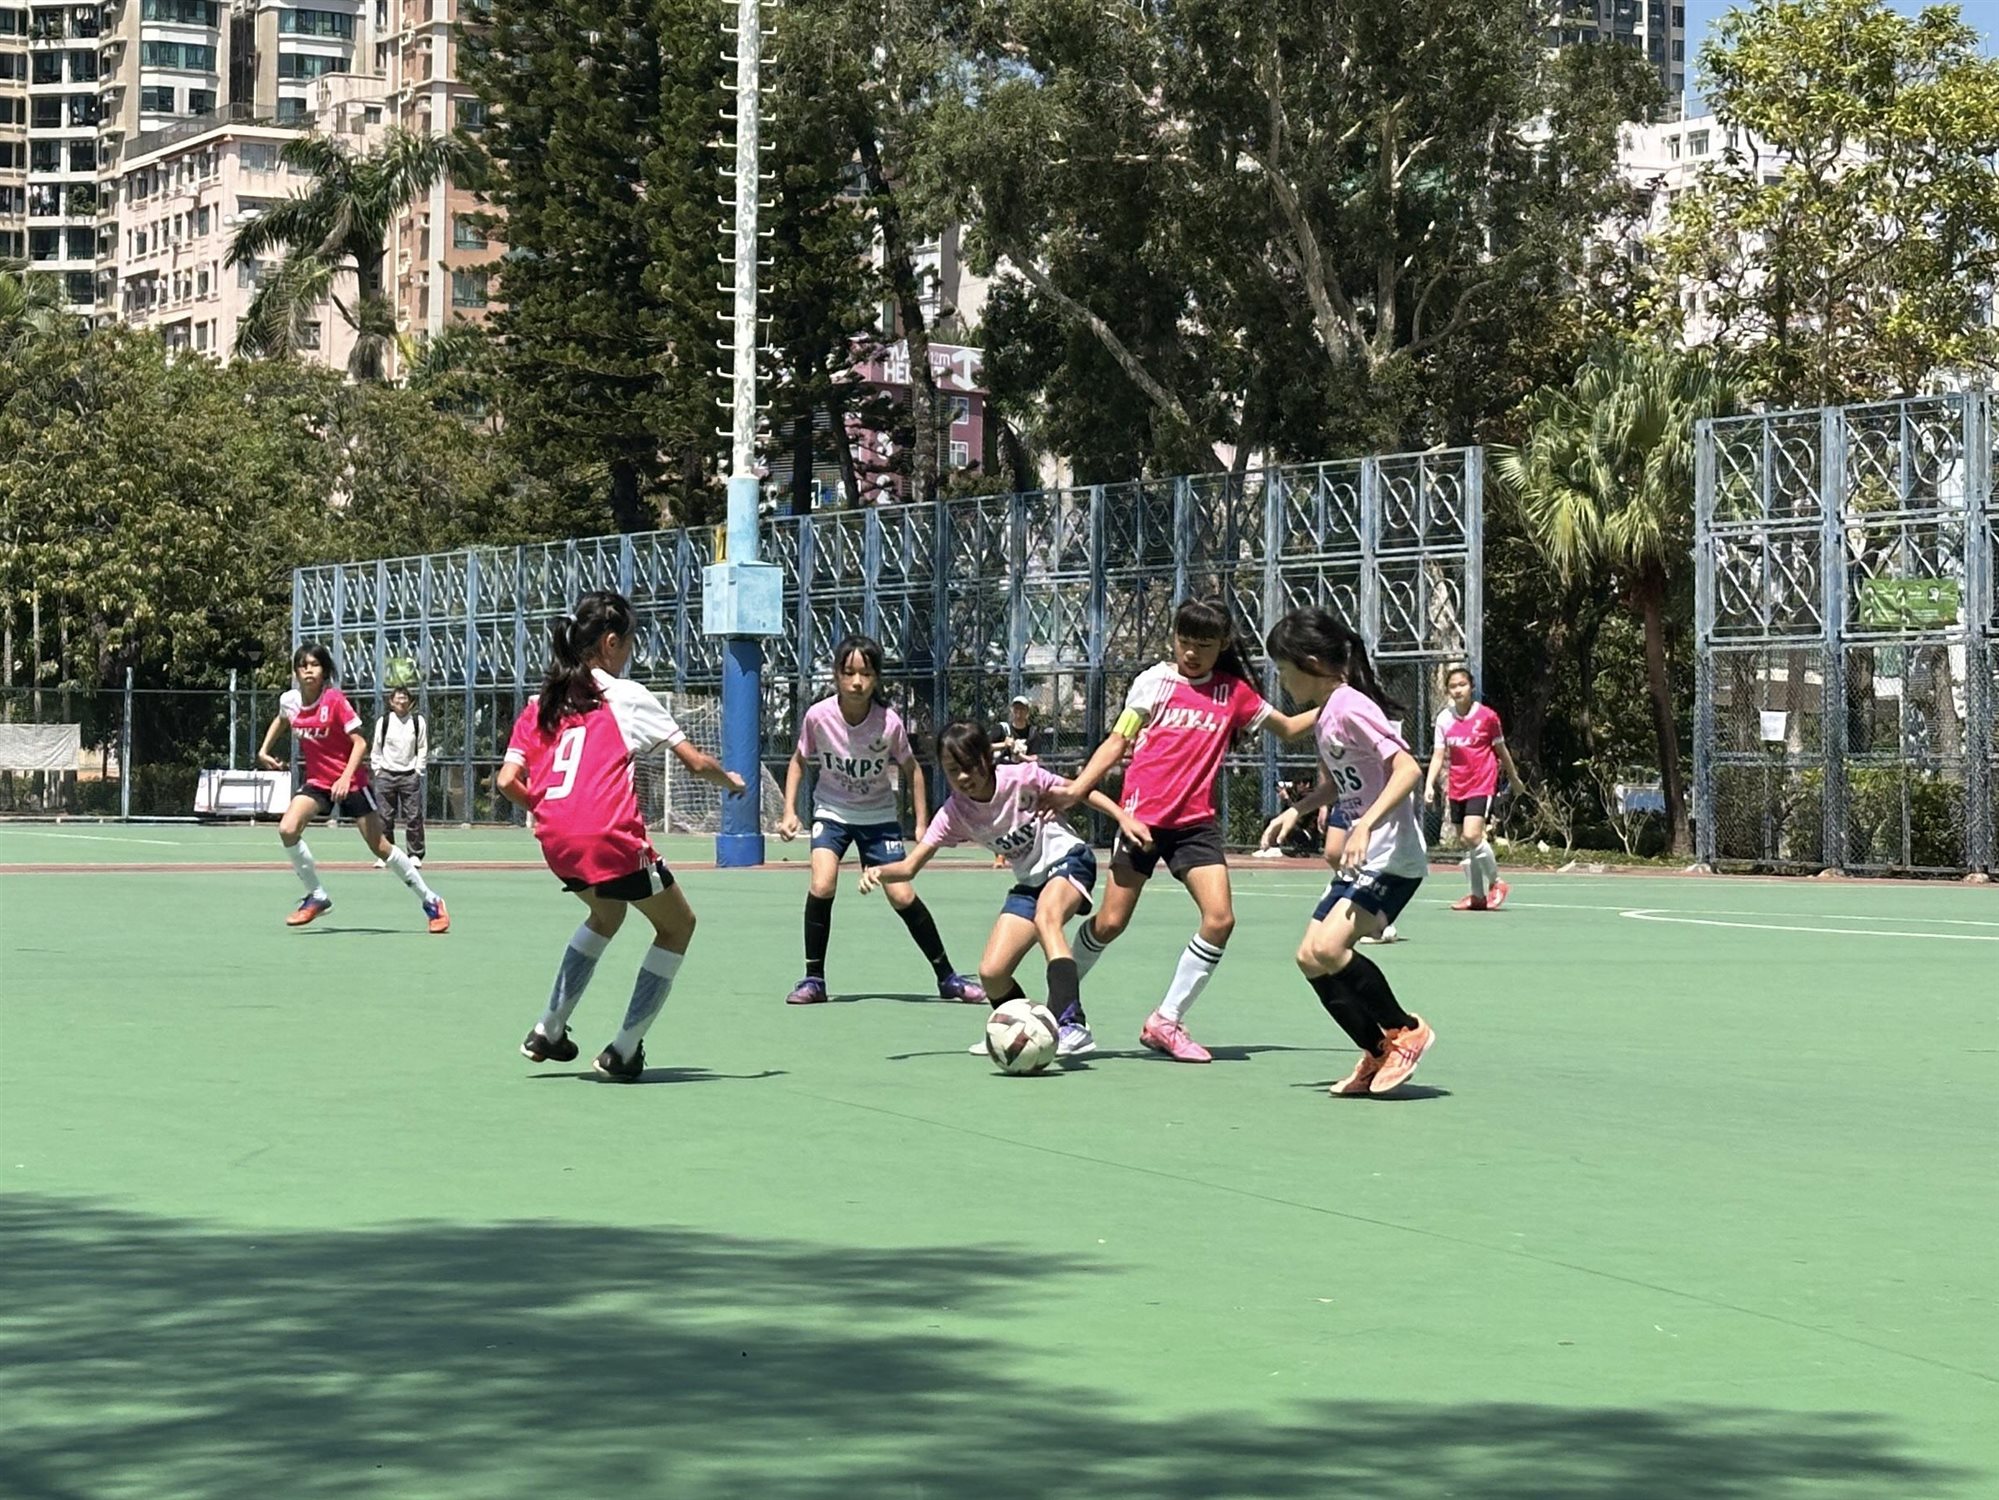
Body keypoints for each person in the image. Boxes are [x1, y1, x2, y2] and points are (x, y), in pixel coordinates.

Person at [1038, 598, 1316, 1063]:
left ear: (1223, 644)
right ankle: (1058, 1009)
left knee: (1220, 920)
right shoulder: (1154, 682)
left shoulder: (1233, 693)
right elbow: (1118, 741)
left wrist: (1342, 701)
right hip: (1141, 821)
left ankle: (1165, 1020)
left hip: (1195, 826)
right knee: (1109, 923)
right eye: (1184, 642)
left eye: (1203, 645)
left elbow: (1288, 728)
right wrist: (1077, 789)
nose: (1191, 653)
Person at [497, 590, 744, 1083]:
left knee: (606, 914)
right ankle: (624, 1050)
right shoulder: (625, 696)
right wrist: (731, 782)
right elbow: (695, 763)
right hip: (608, 838)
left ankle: (547, 1029)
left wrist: (549, 811)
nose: (630, 652)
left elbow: (506, 781)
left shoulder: (543, 702)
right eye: (629, 642)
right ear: (610, 643)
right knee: (678, 925)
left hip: (555, 839)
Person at [860, 721, 1148, 1060]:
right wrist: (879, 871)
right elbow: (910, 867)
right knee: (992, 973)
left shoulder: (1022, 777)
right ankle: (1018, 1031)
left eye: (970, 766)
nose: (963, 776)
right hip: (1030, 882)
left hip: (1068, 859)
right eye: (953, 770)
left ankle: (1072, 1022)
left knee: (1047, 919)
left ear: (987, 757)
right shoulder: (954, 813)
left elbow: (1080, 791)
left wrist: (1123, 818)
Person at [1260, 608, 1435, 1095]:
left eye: (1284, 669)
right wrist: (1297, 811)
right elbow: (1344, 783)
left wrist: (1365, 827)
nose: (1282, 680)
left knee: (1330, 948)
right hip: (1364, 857)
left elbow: (1407, 770)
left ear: (1312, 663)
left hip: (1391, 854)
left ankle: (1406, 1030)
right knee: (1309, 956)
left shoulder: (1353, 706)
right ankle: (1377, 1051)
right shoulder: (1327, 713)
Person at [775, 632, 984, 1006]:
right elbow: (798, 761)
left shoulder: (888, 722)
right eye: (849, 673)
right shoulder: (818, 716)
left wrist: (921, 823)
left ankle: (947, 977)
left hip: (878, 816)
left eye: (866, 674)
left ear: (877, 678)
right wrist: (789, 810)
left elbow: (912, 769)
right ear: (836, 675)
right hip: (832, 811)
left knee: (901, 893)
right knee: (822, 883)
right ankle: (813, 980)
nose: (857, 682)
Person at [256, 644, 449, 934]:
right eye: (302, 665)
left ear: (324, 671)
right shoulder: (291, 700)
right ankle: (317, 896)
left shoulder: (334, 700)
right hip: (319, 782)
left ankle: (431, 901)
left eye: (314, 665)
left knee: (380, 847)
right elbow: (282, 718)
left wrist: (346, 778)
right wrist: (264, 750)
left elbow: (360, 742)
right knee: (287, 829)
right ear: (295, 672)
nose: (308, 670)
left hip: (352, 781)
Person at [1425, 666, 1522, 912]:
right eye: (1453, 686)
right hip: (1457, 785)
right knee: (1466, 842)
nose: (1458, 690)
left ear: (1472, 687)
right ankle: (1477, 896)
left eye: (1462, 685)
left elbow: (1502, 751)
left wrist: (1514, 778)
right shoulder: (1444, 719)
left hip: (1482, 782)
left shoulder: (1488, 717)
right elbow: (1438, 755)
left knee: (1472, 835)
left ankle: (1497, 882)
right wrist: (1429, 784)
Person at [370, 686, 428, 868]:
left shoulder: (417, 722)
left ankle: (415, 854)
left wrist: (418, 770)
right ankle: (386, 854)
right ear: (391, 702)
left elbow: (422, 747)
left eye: (404, 699)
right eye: (398, 699)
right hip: (386, 774)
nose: (401, 702)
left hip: (409, 775)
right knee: (384, 817)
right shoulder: (384, 722)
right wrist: (377, 769)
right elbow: (376, 747)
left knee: (414, 816)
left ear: (410, 702)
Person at [993, 695, 1043, 765]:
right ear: (1011, 710)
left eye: (1022, 709)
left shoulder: (1032, 733)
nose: (1019, 711)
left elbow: (1035, 758)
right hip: (1004, 768)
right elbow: (985, 747)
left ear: (1027, 711)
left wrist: (1018, 753)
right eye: (1016, 708)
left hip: (1024, 769)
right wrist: (1004, 744)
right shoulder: (1002, 728)